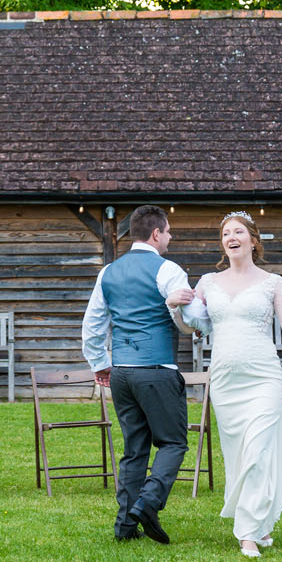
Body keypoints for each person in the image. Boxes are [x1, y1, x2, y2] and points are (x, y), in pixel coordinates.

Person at [187, 211, 282, 558]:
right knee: (242, 456)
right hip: (226, 382)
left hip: (264, 378)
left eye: (239, 232)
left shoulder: (273, 283)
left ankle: (247, 534)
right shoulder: (207, 283)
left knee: (258, 451)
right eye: (226, 233)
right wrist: (175, 308)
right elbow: (192, 327)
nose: (232, 237)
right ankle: (261, 524)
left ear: (253, 241)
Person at [81, 204, 200, 544]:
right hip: (157, 369)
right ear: (155, 234)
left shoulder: (108, 272)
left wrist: (99, 364)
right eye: (168, 231)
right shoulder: (168, 270)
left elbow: (92, 326)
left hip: (121, 373)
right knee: (173, 442)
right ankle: (148, 502)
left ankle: (125, 526)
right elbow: (188, 321)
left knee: (135, 449)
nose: (171, 236)